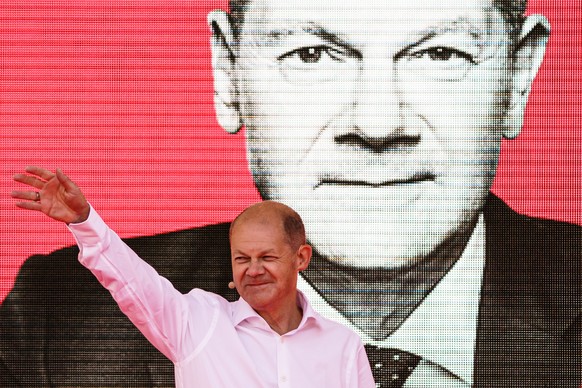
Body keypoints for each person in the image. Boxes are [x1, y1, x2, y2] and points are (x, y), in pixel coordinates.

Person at [1, 0, 580, 387]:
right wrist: (84, 222)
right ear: (228, 73)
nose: (378, 124)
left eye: (440, 54)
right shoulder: (59, 323)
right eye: (310, 54)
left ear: (519, 74)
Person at [10, 166, 375, 388]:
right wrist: (85, 222)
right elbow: (133, 282)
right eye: (241, 258)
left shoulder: (341, 346)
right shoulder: (199, 322)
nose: (253, 269)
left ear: (301, 258)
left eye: (267, 257)